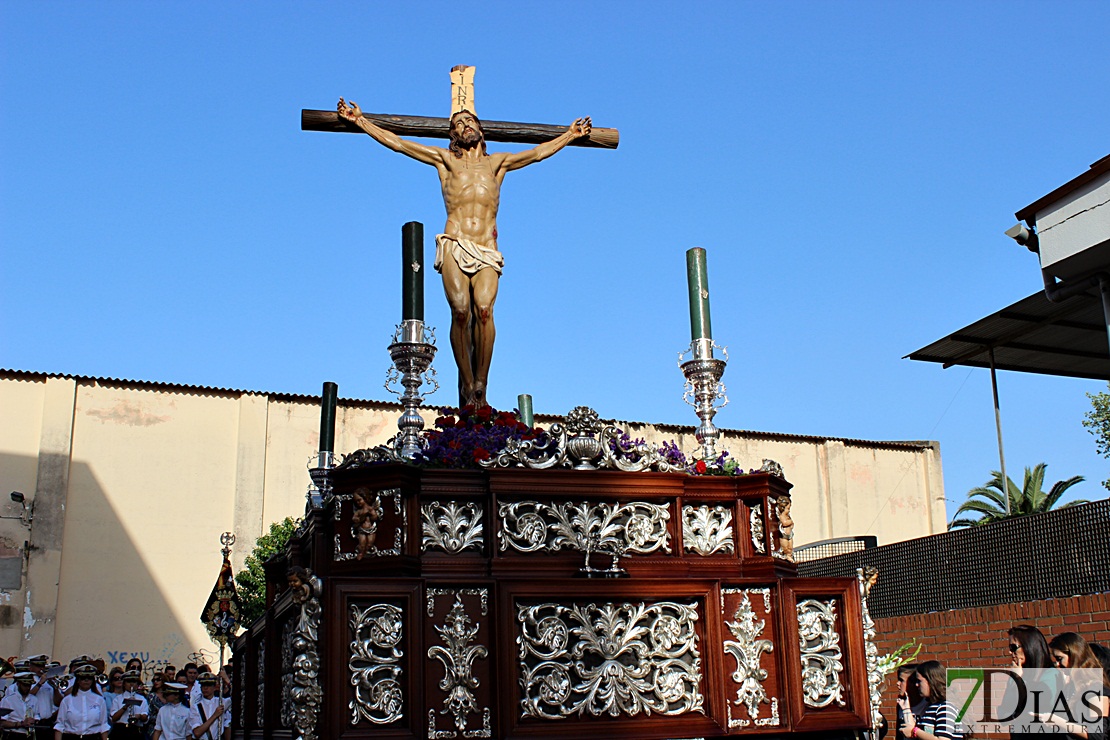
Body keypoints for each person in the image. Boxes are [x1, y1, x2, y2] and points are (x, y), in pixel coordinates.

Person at [337, 97, 592, 408]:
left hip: (486, 247)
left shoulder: (498, 164)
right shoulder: (446, 162)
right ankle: (467, 381)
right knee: (460, 312)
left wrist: (569, 135)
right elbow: (400, 144)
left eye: (469, 120)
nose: (464, 125)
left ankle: (481, 383)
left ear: (480, 129)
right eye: (457, 124)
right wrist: (361, 121)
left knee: (484, 310)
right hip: (455, 243)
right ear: (452, 135)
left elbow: (537, 153)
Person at [1044, 632, 1110, 739]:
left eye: (1060, 659)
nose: (1057, 664)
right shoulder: (1071, 687)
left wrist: (1058, 721)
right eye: (1056, 660)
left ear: (1075, 656)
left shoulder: (1095, 688)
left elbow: (1097, 735)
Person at [897, 660, 962, 739]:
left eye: (919, 681)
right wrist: (906, 709)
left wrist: (914, 731)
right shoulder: (931, 707)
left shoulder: (946, 707)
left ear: (931, 681)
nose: (916, 685)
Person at [53, 663, 109, 740]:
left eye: (89, 678)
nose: (86, 680)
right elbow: (60, 725)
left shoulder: (99, 700)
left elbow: (103, 725)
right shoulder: (67, 700)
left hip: (92, 737)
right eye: (83, 678)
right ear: (78, 680)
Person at [186, 674, 228, 740]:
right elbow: (197, 732)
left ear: (214, 687)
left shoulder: (221, 702)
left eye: (208, 685)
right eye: (203, 685)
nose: (205, 688)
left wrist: (226, 680)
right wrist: (215, 715)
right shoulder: (196, 707)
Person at [106, 672, 146, 740]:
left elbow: (145, 718)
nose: (131, 684)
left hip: (135, 730)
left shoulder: (142, 699)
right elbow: (113, 718)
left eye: (134, 681)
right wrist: (126, 706)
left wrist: (139, 716)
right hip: (120, 731)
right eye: (128, 681)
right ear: (124, 683)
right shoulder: (118, 699)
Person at [1, 673, 41, 739]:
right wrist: (21, 724)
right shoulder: (8, 700)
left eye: (29, 685)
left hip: (29, 735)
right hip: (12, 734)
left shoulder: (34, 699)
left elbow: (37, 716)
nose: (27, 688)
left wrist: (34, 720)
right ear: (18, 684)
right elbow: (2, 723)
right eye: (25, 685)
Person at [895, 663, 927, 736]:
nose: (898, 683)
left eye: (901, 680)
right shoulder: (901, 704)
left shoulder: (927, 704)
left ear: (913, 683)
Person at [144, 675, 167, 740]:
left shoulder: (169, 696)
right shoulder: (151, 696)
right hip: (154, 727)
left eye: (158, 679)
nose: (155, 682)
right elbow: (148, 712)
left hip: (167, 727)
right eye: (154, 680)